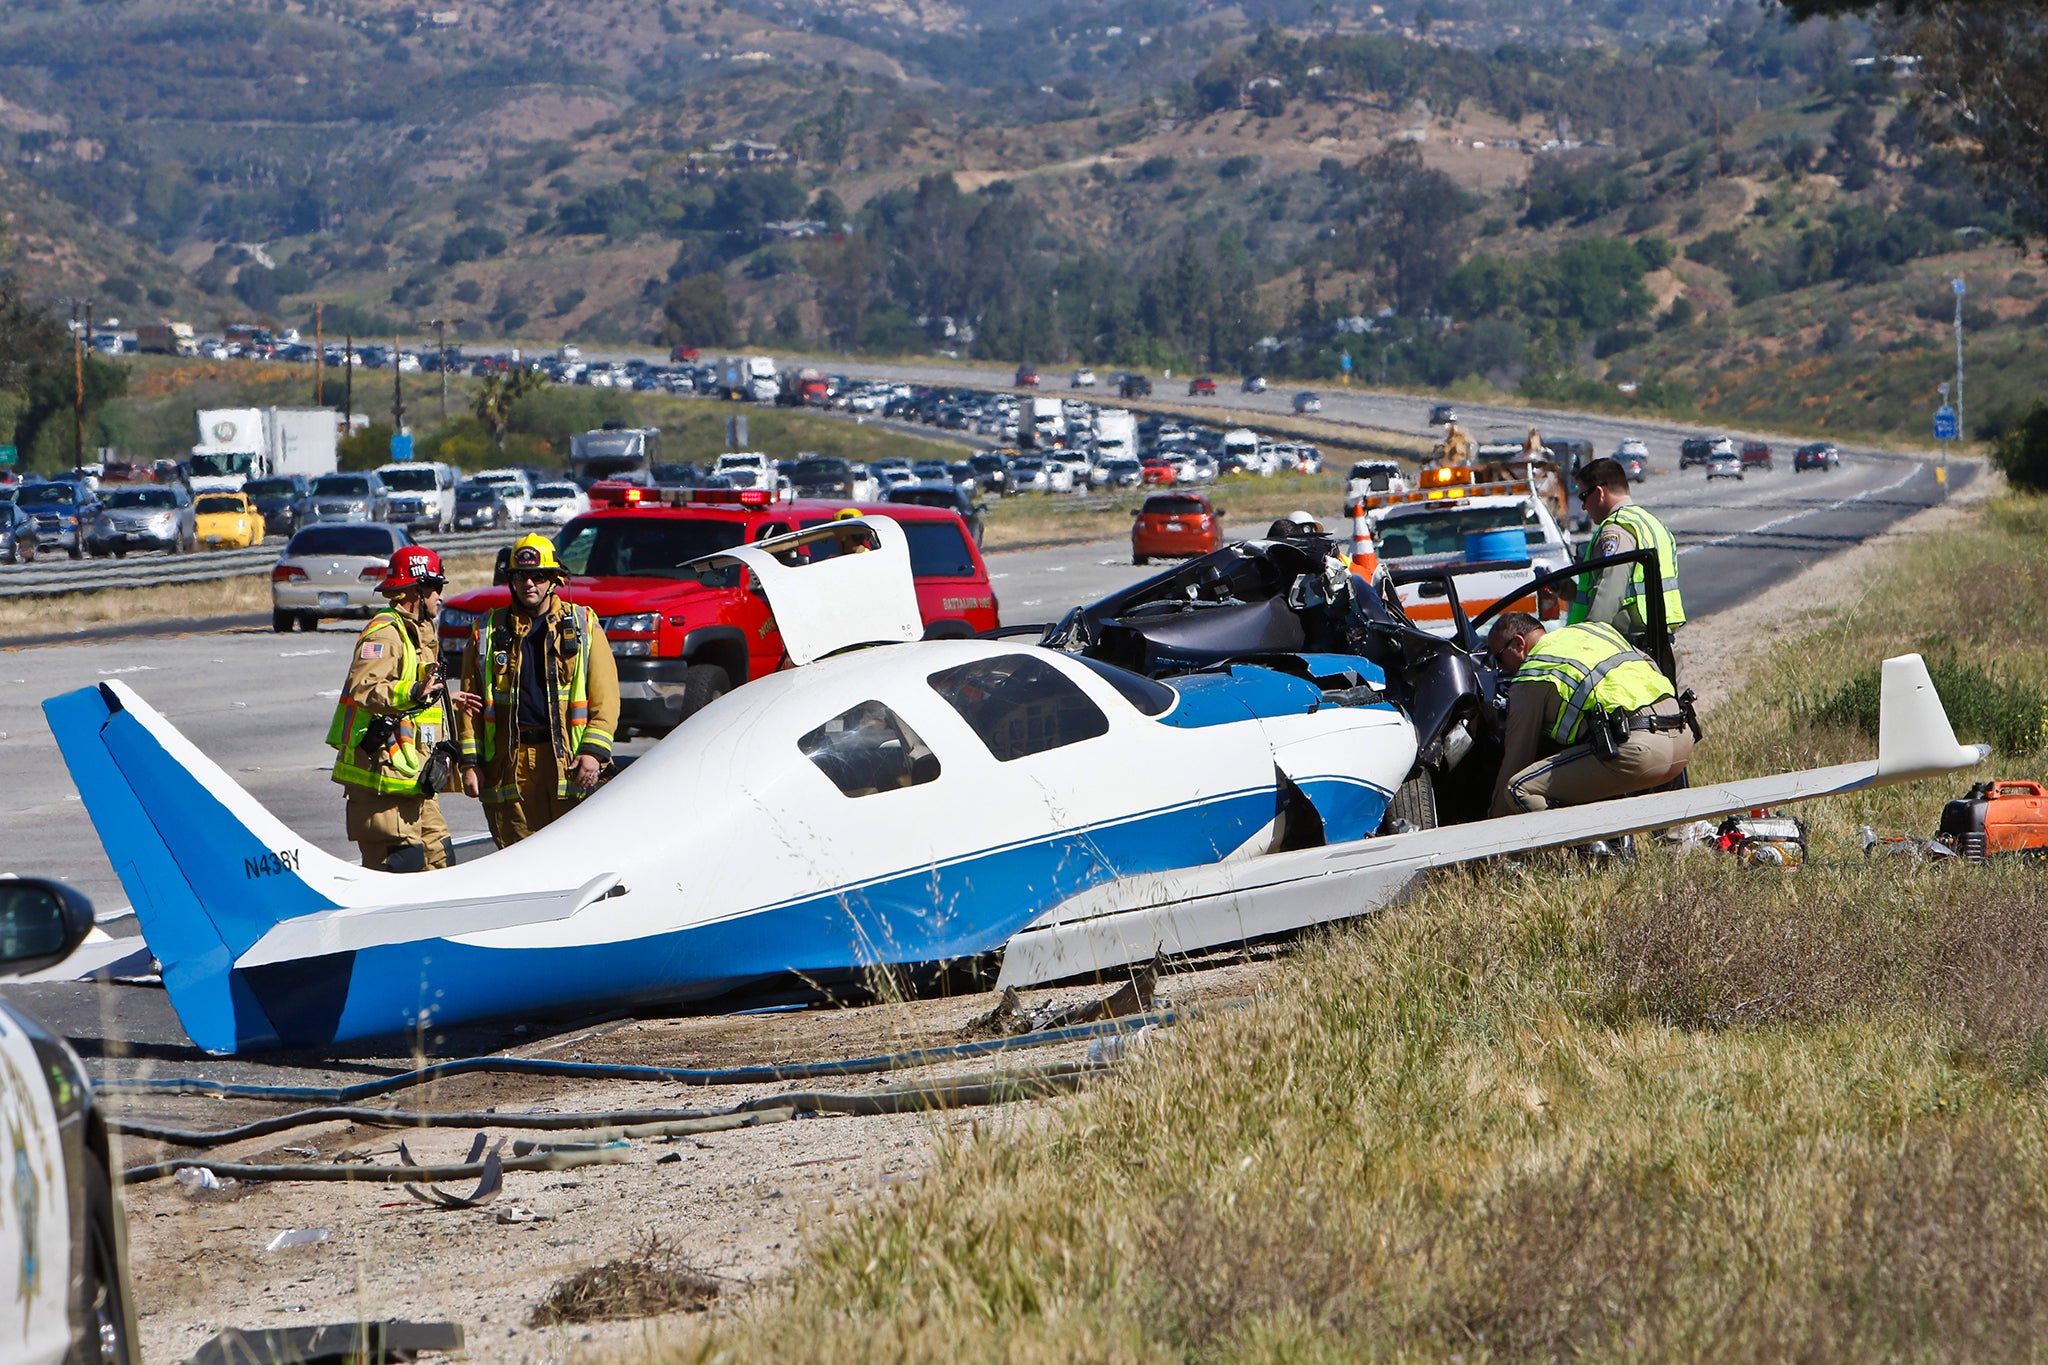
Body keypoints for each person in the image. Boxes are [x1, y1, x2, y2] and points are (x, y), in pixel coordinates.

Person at [457, 533, 620, 847]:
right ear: (511, 581)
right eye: (521, 576)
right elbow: (470, 708)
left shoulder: (584, 625)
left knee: (572, 853)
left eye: (538, 576)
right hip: (508, 766)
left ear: (554, 580)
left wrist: (593, 752)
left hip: (565, 762)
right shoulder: (486, 631)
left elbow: (606, 699)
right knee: (516, 855)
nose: (529, 583)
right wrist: (470, 764)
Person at [326, 545, 478, 871]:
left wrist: (441, 699)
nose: (441, 595)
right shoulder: (386, 632)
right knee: (400, 870)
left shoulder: (419, 633)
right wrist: (413, 691)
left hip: (414, 781)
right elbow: (365, 688)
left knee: (441, 864)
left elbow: (410, 694)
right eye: (435, 587)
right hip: (382, 784)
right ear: (415, 590)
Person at [1485, 612, 1697, 818]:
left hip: (1640, 753)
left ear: (1518, 643)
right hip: (1683, 738)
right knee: (1596, 756)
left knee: (1518, 789)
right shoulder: (1595, 631)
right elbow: (1651, 666)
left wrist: (1492, 828)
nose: (1500, 668)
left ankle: (1591, 848)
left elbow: (1517, 758)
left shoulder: (1532, 672)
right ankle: (1675, 844)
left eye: (1498, 658)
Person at [1570, 457, 1684, 645]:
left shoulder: (1615, 530)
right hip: (1661, 643)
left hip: (1630, 647)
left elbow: (1609, 593)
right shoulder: (1650, 523)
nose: (1583, 506)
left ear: (1599, 492)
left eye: (1583, 496)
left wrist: (1586, 644)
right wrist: (1566, 591)